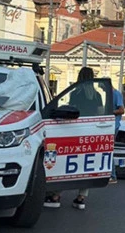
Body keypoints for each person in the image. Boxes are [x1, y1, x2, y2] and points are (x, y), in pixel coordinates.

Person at [44, 67, 102, 210]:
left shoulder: (76, 93)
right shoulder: (97, 95)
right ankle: (81, 198)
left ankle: (56, 195)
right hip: (91, 132)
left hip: (76, 130)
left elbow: (71, 110)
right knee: (87, 164)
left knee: (68, 162)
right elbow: (100, 113)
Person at [109, 86, 125, 184]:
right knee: (108, 150)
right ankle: (110, 174)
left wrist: (109, 112)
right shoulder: (111, 95)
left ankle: (113, 175)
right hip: (110, 125)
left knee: (109, 150)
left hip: (114, 125)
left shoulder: (116, 94)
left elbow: (122, 110)